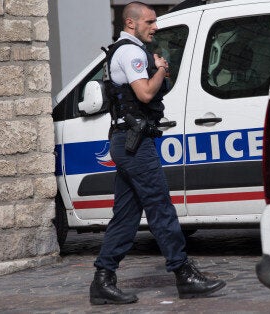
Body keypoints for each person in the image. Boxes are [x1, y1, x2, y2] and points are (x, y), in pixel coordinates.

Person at [89, 1, 226, 305]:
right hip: (135, 144)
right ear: (130, 23)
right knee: (160, 206)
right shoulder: (132, 52)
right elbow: (145, 93)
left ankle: (103, 280)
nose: (155, 26)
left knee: (125, 215)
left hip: (127, 141)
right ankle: (184, 274)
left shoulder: (123, 51)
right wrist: (161, 69)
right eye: (150, 21)